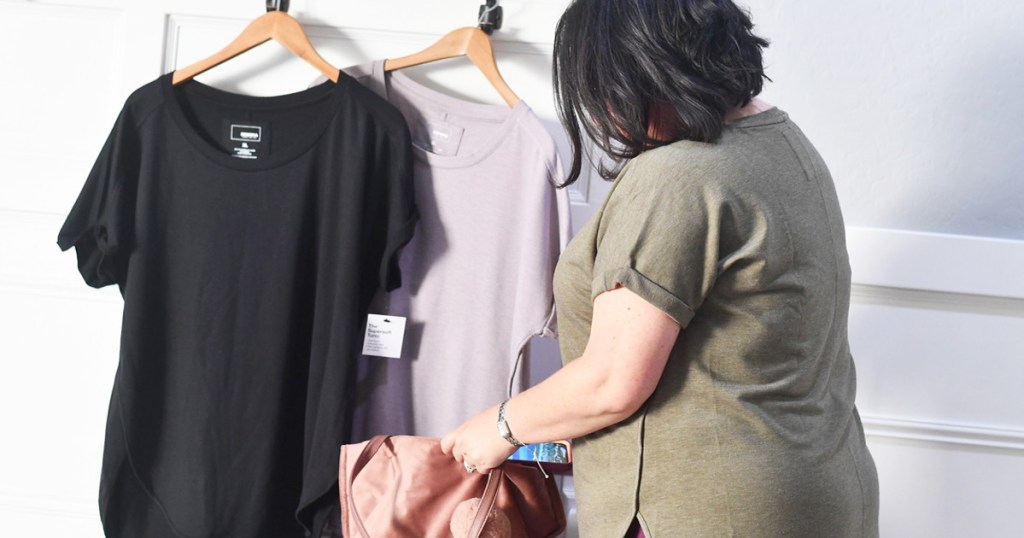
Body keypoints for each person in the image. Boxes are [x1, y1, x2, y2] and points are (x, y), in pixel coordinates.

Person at [441, 0, 881, 536]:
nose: (602, 109)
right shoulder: (785, 144)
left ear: (644, 70)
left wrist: (501, 425)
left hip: (705, 507)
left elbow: (611, 380)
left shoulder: (679, 176)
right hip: (821, 489)